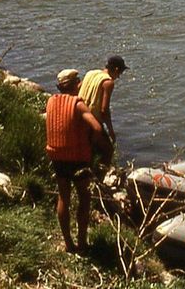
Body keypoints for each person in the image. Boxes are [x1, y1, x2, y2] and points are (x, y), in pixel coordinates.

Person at [46, 68, 114, 253]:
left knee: (63, 198)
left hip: (57, 156)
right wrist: (91, 144)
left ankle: (68, 244)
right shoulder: (77, 104)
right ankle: (82, 243)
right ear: (77, 85)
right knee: (84, 197)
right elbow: (97, 128)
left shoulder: (51, 101)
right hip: (77, 159)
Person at [78, 55, 127, 143]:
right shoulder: (108, 83)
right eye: (120, 73)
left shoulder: (90, 73)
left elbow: (78, 87)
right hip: (91, 121)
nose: (119, 77)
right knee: (108, 151)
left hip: (78, 115)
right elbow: (104, 110)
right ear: (116, 69)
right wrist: (111, 131)